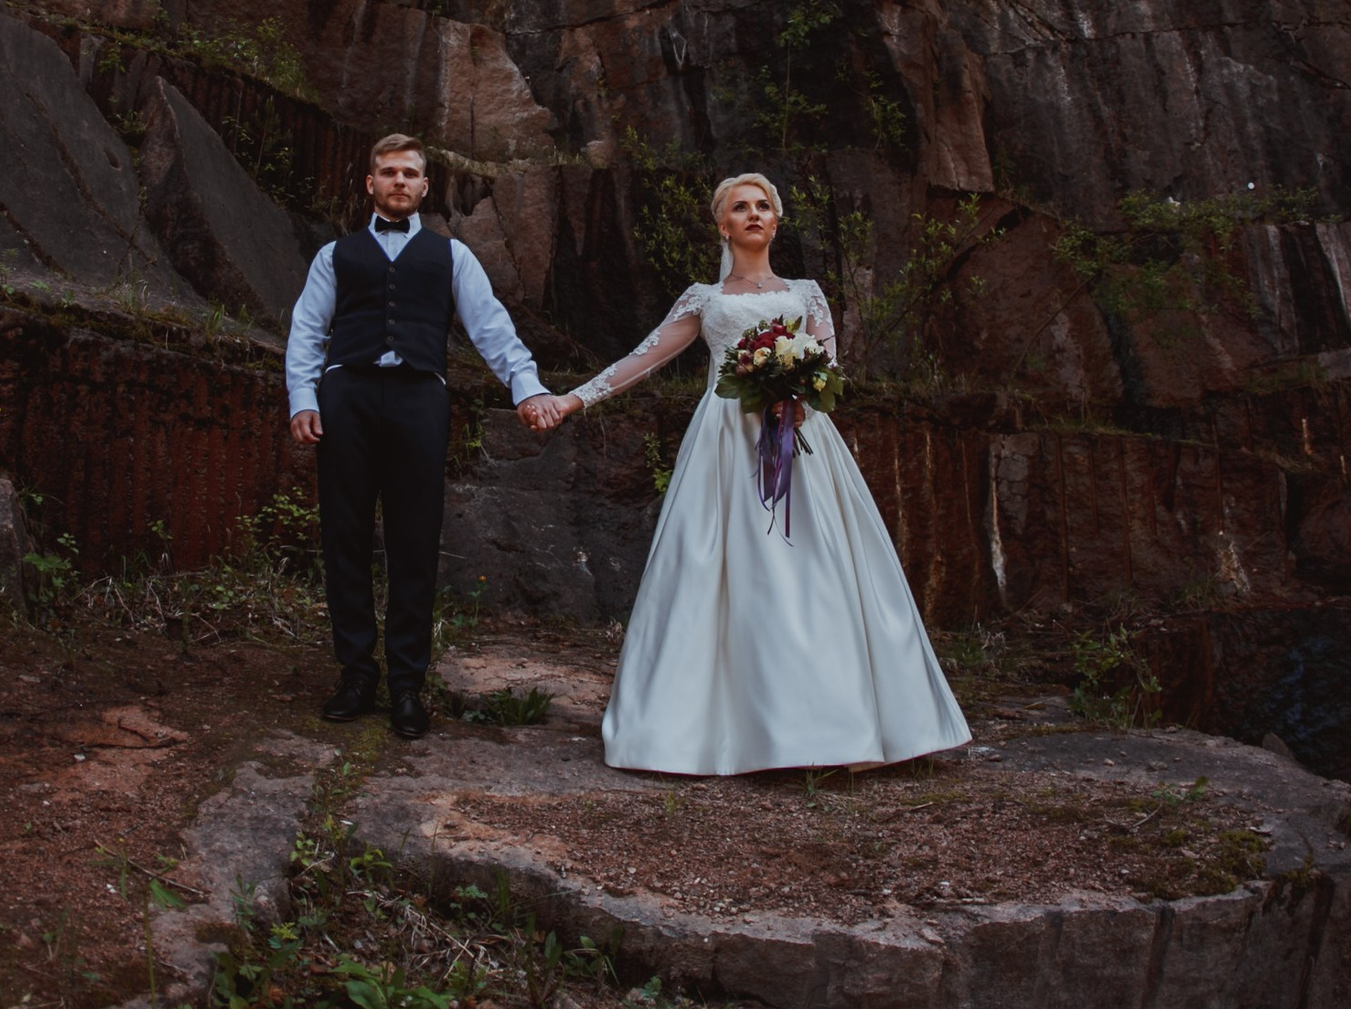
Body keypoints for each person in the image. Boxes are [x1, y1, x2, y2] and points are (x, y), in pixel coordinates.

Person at [530, 173, 970, 774]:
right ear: (723, 225)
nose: (755, 214)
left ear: (776, 221)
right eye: (741, 207)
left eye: (764, 206)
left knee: (819, 570)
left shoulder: (807, 292)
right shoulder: (704, 299)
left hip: (800, 437)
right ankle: (714, 730)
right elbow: (642, 359)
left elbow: (829, 367)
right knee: (718, 570)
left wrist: (796, 387)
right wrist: (570, 400)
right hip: (725, 442)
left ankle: (840, 728)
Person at [284, 134, 555, 739]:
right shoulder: (335, 255)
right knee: (344, 535)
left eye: (410, 173)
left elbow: (492, 328)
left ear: (425, 187)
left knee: (414, 540)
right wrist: (303, 398)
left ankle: (407, 682)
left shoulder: (453, 257)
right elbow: (307, 330)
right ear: (370, 185)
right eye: (388, 172)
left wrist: (527, 387)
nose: (399, 181)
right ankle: (356, 674)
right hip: (346, 397)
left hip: (420, 400)